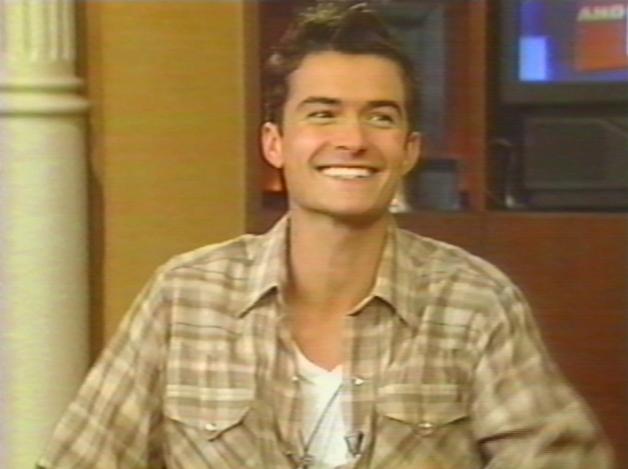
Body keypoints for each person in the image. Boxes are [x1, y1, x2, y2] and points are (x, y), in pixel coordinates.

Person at [37, 3, 613, 468]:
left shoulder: (474, 301)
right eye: (322, 114)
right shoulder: (185, 297)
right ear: (275, 143)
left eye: (380, 117)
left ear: (409, 150)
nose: (353, 140)